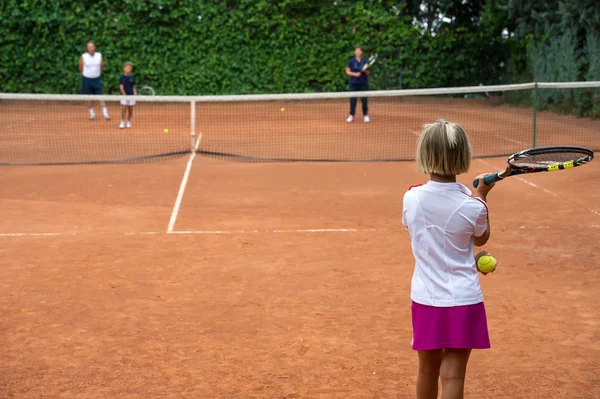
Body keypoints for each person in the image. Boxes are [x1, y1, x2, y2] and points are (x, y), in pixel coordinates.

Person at [402, 120, 496, 399]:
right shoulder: (474, 206)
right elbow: (481, 238)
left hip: (426, 297)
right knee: (454, 375)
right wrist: (481, 195)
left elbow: (425, 235)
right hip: (464, 299)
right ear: (463, 156)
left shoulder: (411, 198)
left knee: (426, 371)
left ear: (425, 155)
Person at [79, 41, 110, 121]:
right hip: (86, 79)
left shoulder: (99, 55)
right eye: (89, 47)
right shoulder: (84, 56)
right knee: (89, 98)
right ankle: (92, 114)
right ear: (87, 48)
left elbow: (102, 65)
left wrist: (97, 73)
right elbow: (80, 67)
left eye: (92, 46)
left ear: (95, 47)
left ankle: (105, 113)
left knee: (100, 96)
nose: (91, 48)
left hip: (96, 79)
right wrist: (86, 74)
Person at [345, 45, 370, 123]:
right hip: (353, 83)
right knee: (353, 100)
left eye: (359, 50)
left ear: (362, 52)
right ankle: (351, 115)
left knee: (364, 100)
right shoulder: (351, 61)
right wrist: (355, 74)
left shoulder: (365, 61)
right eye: (356, 50)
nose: (357, 52)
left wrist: (365, 70)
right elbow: (347, 71)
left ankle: (365, 115)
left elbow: (368, 73)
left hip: (363, 83)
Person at [119, 62, 136, 129]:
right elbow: (121, 86)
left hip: (131, 96)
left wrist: (135, 93)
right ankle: (122, 121)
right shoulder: (122, 77)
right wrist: (124, 94)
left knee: (130, 109)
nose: (128, 69)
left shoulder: (132, 77)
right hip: (124, 96)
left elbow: (133, 86)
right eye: (127, 68)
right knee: (124, 108)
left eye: (129, 68)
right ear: (124, 68)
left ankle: (128, 121)